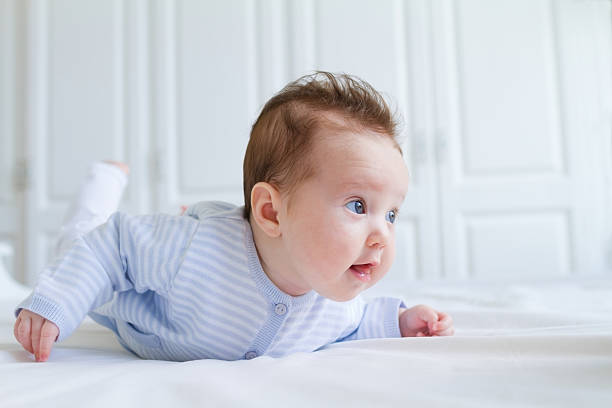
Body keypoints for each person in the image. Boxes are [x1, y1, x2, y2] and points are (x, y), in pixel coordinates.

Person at [14, 72, 454, 362]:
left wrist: (399, 321)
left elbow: (356, 323)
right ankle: (103, 181)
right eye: (358, 206)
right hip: (122, 289)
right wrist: (58, 305)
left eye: (391, 213)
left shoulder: (331, 299)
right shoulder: (195, 252)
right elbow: (110, 249)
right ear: (271, 212)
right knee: (79, 236)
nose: (382, 235)